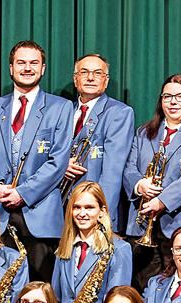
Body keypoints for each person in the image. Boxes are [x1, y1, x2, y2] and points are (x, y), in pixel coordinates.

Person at [0, 40, 73, 282]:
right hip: (0, 215)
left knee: (40, 292)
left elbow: (58, 161)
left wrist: (23, 193)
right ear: (11, 68)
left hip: (39, 216)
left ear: (43, 68)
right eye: (21, 62)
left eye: (33, 63)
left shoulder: (61, 107)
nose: (27, 68)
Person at [123, 74, 181, 284]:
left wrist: (162, 200)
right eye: (167, 96)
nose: (173, 102)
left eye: (180, 96)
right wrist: (140, 185)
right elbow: (129, 168)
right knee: (144, 286)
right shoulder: (144, 132)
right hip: (142, 226)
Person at [52, 181, 133, 303]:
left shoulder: (119, 249)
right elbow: (56, 299)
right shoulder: (64, 247)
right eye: (77, 207)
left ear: (102, 211)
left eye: (89, 207)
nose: (82, 213)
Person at [62, 53, 134, 220]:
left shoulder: (119, 113)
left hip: (93, 209)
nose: (90, 78)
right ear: (75, 79)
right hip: (60, 208)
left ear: (106, 80)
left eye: (98, 73)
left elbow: (112, 172)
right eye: (84, 72)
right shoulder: (63, 110)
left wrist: (102, 213)